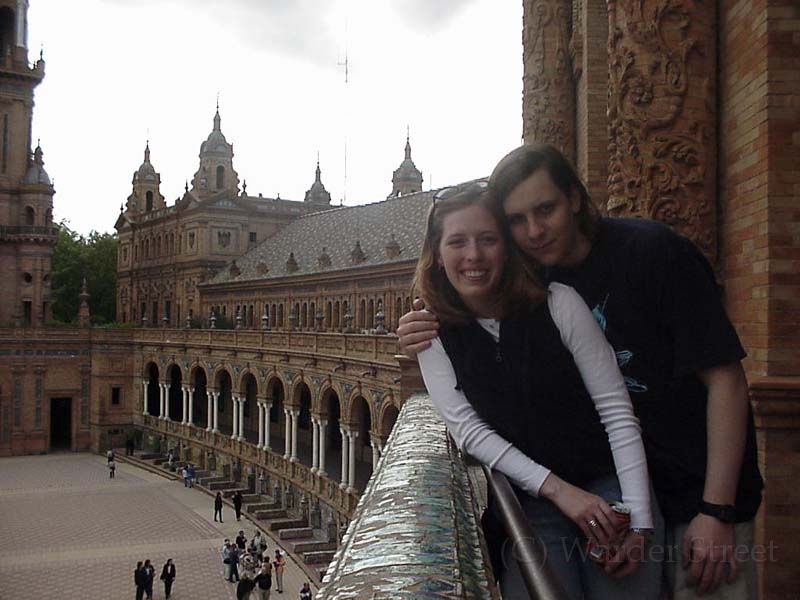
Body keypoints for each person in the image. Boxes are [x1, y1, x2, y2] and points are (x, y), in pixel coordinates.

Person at [398, 144, 764, 600]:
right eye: (517, 220)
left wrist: (718, 509)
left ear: (574, 197)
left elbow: (725, 380)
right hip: (617, 485)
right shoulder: (531, 279)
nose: (533, 230)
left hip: (697, 489)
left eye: (545, 209)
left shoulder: (651, 253)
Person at [408, 181, 658, 598]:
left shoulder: (559, 303)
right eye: (457, 242)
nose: (474, 255)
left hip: (610, 483)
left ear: (506, 247)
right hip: (533, 499)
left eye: (488, 239)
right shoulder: (432, 333)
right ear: (436, 254)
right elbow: (468, 431)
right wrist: (560, 491)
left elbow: (616, 410)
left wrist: (641, 519)